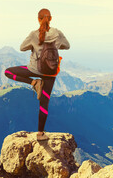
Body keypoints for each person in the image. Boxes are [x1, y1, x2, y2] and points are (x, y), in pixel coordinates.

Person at [4, 8, 70, 141]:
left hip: (34, 69)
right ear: (50, 18)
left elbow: (22, 47)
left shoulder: (34, 34)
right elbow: (67, 46)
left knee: (8, 71)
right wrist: (56, 47)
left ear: (38, 19)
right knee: (44, 103)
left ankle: (33, 82)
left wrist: (34, 46)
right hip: (51, 73)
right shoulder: (58, 33)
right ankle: (40, 133)